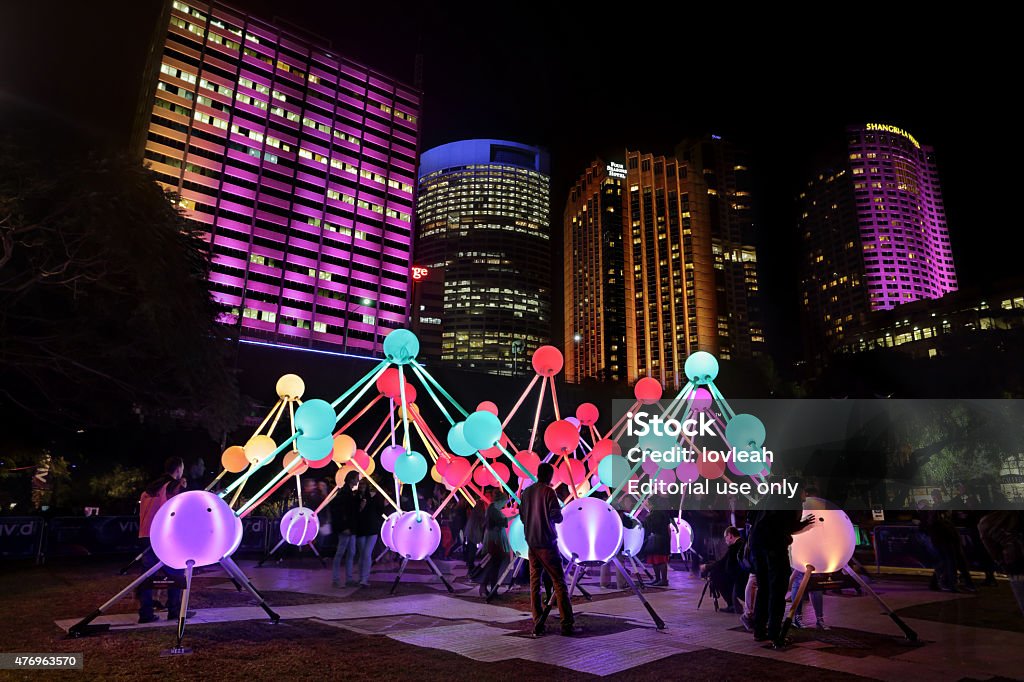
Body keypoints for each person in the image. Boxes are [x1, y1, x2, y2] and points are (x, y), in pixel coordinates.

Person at [519, 463, 575, 636]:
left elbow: (522, 517)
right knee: (559, 582)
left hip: (532, 543)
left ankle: (538, 620)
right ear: (550, 476)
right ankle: (566, 623)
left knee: (535, 583)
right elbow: (557, 517)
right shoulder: (549, 492)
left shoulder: (526, 493)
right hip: (547, 543)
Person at [748, 505, 816, 646]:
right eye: (803, 491)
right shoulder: (790, 499)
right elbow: (787, 525)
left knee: (764, 589)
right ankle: (775, 634)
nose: (804, 497)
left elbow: (751, 517)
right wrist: (803, 524)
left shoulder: (768, 498)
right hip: (774, 548)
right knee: (777, 591)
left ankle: (759, 631)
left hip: (757, 546)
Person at [136, 457, 189, 624]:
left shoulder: (148, 489)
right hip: (163, 536)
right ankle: (174, 610)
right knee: (177, 573)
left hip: (145, 535)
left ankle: (145, 613)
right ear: (179, 469)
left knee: (147, 577)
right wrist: (181, 485)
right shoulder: (172, 485)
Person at [700, 526, 747, 613]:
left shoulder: (736, 546)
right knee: (716, 573)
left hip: (738, 576)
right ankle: (732, 604)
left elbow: (722, 562)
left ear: (730, 535)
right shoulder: (741, 544)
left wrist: (706, 567)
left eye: (725, 537)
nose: (725, 541)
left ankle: (731, 604)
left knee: (716, 576)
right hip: (738, 574)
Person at [330, 471, 361, 587]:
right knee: (341, 552)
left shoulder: (348, 493)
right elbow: (340, 512)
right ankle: (336, 579)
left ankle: (348, 578)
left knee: (351, 552)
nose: (358, 481)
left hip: (350, 527)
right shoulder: (344, 493)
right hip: (346, 528)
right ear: (351, 479)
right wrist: (344, 526)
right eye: (357, 478)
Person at [354, 477, 386, 586]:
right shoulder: (356, 496)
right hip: (361, 528)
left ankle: (364, 578)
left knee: (367, 554)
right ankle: (361, 577)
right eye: (360, 484)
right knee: (362, 554)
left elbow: (380, 510)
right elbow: (353, 512)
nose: (362, 486)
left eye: (364, 484)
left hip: (372, 528)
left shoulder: (374, 496)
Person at [479, 492, 512, 597]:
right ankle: (487, 587)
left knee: (495, 563)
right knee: (495, 563)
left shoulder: (492, 509)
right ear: (500, 500)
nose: (504, 504)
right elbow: (501, 522)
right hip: (495, 539)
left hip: (494, 538)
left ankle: (488, 587)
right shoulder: (493, 510)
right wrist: (514, 516)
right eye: (504, 502)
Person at [643, 509, 673, 586]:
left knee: (660, 560)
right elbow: (668, 528)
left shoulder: (657, 513)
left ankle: (663, 579)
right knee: (655, 559)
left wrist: (648, 518)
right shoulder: (660, 512)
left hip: (659, 539)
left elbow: (653, 526)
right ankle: (658, 579)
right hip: (659, 539)